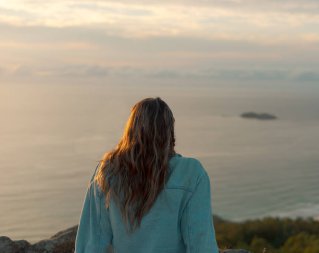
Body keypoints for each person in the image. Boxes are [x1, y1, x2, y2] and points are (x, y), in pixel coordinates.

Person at [74, 97, 220, 253]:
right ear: (170, 132)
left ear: (130, 130)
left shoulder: (108, 172)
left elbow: (91, 244)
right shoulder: (191, 172)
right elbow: (201, 244)